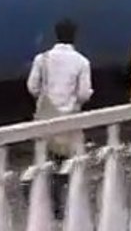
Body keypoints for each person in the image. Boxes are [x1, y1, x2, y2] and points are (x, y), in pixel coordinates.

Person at [27, 19, 93, 219]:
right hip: (69, 118)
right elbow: (83, 93)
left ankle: (41, 199)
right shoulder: (82, 61)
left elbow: (32, 87)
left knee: (45, 158)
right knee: (65, 161)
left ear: (56, 34)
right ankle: (59, 204)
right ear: (74, 35)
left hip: (46, 116)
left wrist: (44, 98)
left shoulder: (42, 58)